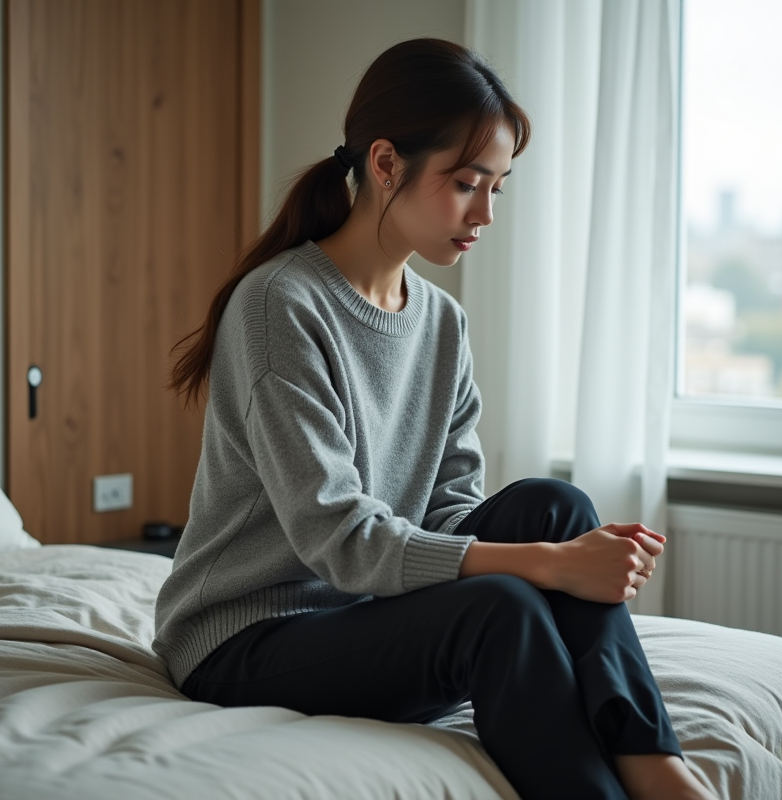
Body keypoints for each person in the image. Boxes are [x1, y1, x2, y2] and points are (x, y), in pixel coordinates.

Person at [154, 38, 719, 800]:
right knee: (505, 605)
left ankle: (654, 762)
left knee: (557, 508)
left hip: (368, 617)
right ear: (385, 164)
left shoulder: (441, 323)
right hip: (247, 640)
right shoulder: (278, 305)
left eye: (498, 188)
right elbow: (340, 540)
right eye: (465, 184)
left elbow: (450, 510)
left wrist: (551, 545)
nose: (485, 214)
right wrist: (551, 566)